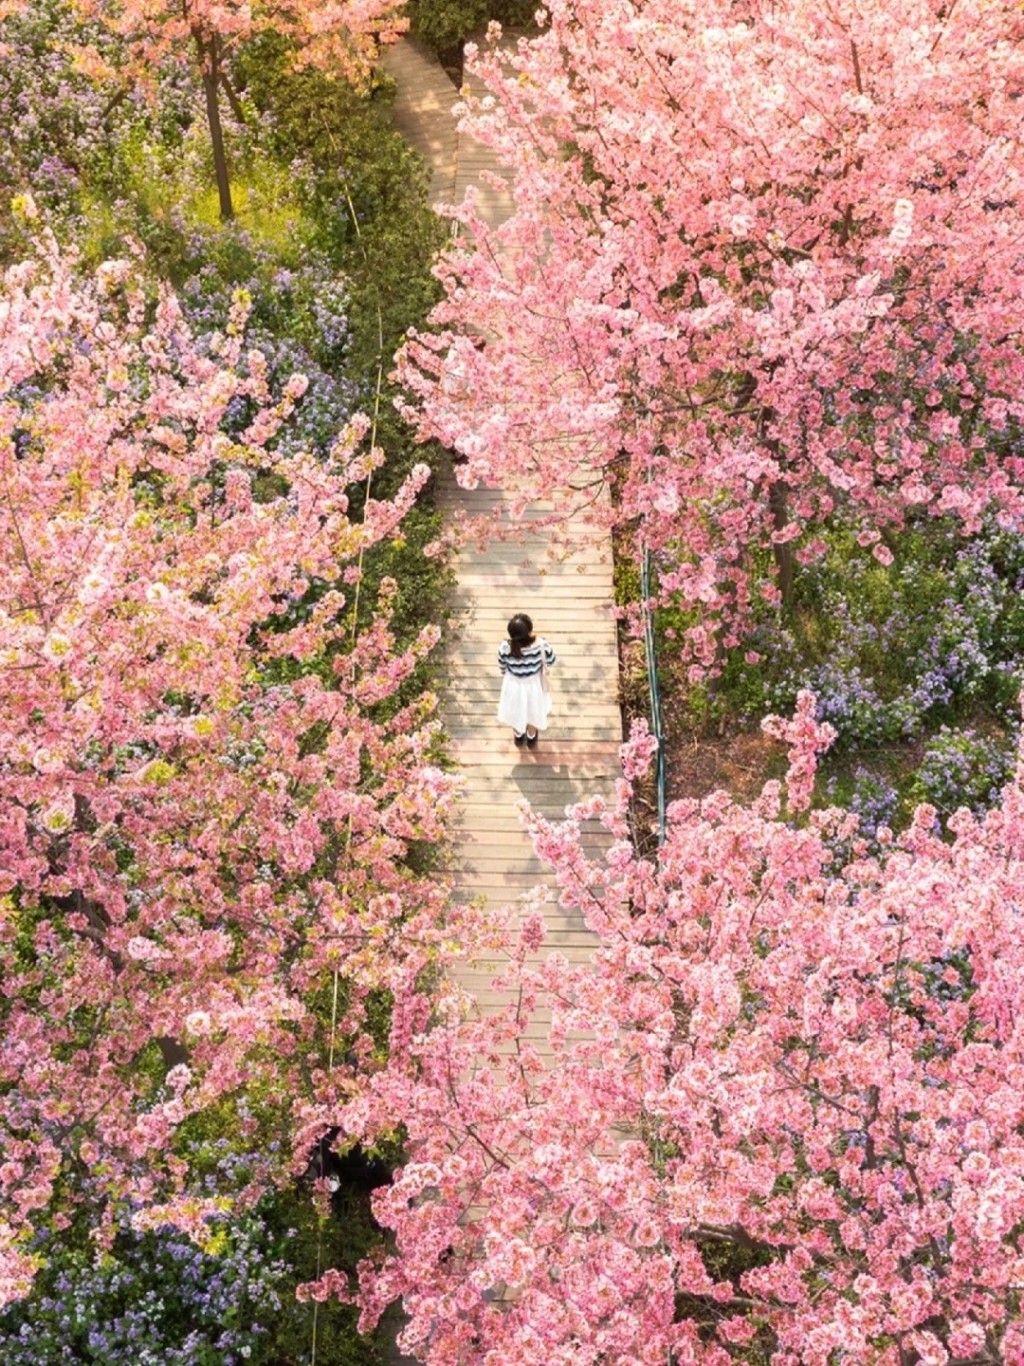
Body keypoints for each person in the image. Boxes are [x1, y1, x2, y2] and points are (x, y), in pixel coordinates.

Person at [497, 613, 556, 748]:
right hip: (534, 684)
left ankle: (518, 736)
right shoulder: (541, 644)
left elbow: (502, 666)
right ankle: (531, 736)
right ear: (529, 631)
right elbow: (551, 660)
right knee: (534, 710)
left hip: (514, 684)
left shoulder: (505, 648)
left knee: (515, 710)